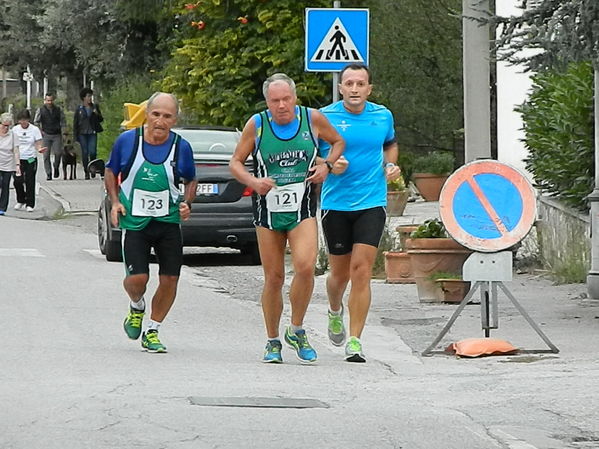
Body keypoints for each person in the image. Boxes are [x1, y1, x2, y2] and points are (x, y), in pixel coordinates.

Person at [229, 73, 345, 364]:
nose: (281, 106)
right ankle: (272, 340)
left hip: (302, 208)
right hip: (267, 210)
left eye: (286, 99)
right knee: (274, 277)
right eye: (275, 101)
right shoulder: (257, 125)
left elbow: (338, 142)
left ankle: (296, 328)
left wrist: (327, 166)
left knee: (306, 267)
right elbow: (236, 162)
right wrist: (253, 182)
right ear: (267, 102)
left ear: (295, 98)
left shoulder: (312, 119)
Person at [318, 63, 402, 362]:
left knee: (361, 271)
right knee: (339, 274)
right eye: (349, 83)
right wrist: (329, 163)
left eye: (360, 83)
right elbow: (311, 154)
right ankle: (334, 309)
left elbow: (390, 145)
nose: (354, 89)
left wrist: (390, 165)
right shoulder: (325, 117)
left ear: (369, 88)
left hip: (371, 202)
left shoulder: (382, 115)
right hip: (336, 205)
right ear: (341, 88)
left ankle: (355, 340)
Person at [104, 92, 197, 353]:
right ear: (147, 114)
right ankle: (136, 306)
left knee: (170, 279)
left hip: (167, 223)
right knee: (138, 280)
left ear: (174, 119)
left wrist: (187, 204)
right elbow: (111, 171)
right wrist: (115, 202)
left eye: (167, 116)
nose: (160, 121)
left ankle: (153, 330)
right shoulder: (128, 142)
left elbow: (191, 180)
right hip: (135, 222)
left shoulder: (182, 147)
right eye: (156, 114)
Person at [13, 109, 46, 212]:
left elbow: (38, 142)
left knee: (30, 180)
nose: (23, 122)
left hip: (30, 158)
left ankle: (30, 204)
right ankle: (21, 199)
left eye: (25, 120)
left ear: (28, 120)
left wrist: (39, 148)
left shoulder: (34, 130)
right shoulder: (15, 130)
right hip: (18, 158)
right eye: (21, 120)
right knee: (17, 180)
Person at [34, 92, 66, 180]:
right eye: (48, 100)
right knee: (46, 155)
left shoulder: (58, 109)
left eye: (51, 100)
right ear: (45, 100)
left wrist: (63, 132)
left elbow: (63, 121)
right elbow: (36, 122)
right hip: (46, 134)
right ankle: (48, 173)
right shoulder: (40, 110)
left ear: (53, 100)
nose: (49, 102)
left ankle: (56, 167)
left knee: (58, 153)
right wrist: (39, 131)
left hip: (56, 134)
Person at [73, 87, 104, 179]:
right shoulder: (79, 109)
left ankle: (93, 168)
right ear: (84, 98)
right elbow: (75, 123)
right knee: (85, 152)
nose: (90, 98)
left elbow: (100, 119)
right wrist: (75, 137)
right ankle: (86, 171)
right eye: (88, 96)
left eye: (91, 96)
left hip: (92, 132)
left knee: (93, 151)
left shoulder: (94, 107)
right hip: (82, 133)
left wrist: (96, 113)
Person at [0, 113, 20, 215]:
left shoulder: (13, 135)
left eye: (8, 126)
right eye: (4, 125)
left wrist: (17, 165)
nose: (6, 128)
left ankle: (2, 208)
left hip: (8, 164)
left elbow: (16, 151)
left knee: (5, 185)